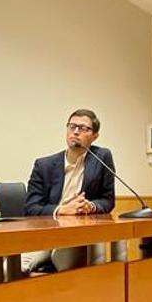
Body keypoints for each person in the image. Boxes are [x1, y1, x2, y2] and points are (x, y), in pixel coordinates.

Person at [21, 109, 118, 273]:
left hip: (77, 234)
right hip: (45, 232)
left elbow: (108, 200)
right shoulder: (44, 165)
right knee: (15, 267)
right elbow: (31, 208)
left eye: (83, 128)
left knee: (64, 261)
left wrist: (91, 206)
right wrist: (61, 210)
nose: (76, 132)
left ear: (94, 136)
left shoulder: (101, 158)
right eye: (72, 126)